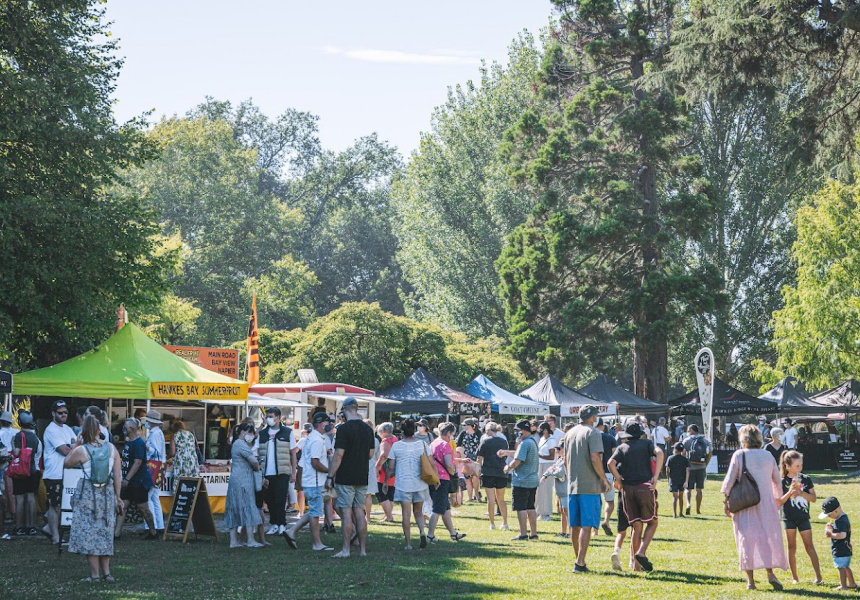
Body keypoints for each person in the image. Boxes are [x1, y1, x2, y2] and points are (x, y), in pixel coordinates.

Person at [721, 424, 788, 591]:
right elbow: (777, 481)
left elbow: (729, 480)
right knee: (767, 537)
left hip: (744, 502)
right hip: (766, 502)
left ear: (742, 438)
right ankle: (770, 573)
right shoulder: (767, 455)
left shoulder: (739, 455)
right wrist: (777, 499)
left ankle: (751, 581)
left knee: (746, 540)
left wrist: (726, 500)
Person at [63, 414, 123, 583]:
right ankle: (107, 573)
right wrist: (118, 497)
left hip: (88, 494)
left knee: (89, 533)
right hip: (107, 493)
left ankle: (95, 575)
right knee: (105, 532)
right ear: (99, 430)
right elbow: (117, 476)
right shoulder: (112, 449)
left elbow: (67, 462)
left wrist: (77, 443)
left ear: (83, 432)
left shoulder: (82, 450)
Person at [607, 422, 663, 572]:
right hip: (644, 487)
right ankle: (641, 552)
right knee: (652, 522)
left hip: (627, 490)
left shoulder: (622, 447)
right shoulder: (647, 444)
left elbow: (610, 463)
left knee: (636, 527)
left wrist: (619, 479)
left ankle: (636, 566)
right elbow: (659, 452)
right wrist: (656, 476)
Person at [327, 397, 376, 558]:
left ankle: (346, 550)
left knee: (346, 513)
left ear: (345, 410)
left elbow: (338, 455)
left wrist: (330, 476)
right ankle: (362, 550)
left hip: (345, 476)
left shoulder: (343, 429)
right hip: (362, 475)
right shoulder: (368, 429)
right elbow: (370, 454)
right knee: (360, 512)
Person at [564, 405, 611, 573]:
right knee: (587, 525)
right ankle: (580, 563)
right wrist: (604, 478)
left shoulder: (569, 433)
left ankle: (579, 560)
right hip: (589, 485)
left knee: (574, 526)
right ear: (593, 417)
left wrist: (570, 477)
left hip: (572, 485)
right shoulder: (593, 433)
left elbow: (565, 459)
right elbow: (595, 457)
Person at [283, 412, 333, 552]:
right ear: (322, 423)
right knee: (315, 514)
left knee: (313, 511)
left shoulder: (313, 437)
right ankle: (317, 543)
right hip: (315, 482)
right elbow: (315, 462)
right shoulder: (317, 440)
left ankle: (292, 531)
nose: (330, 425)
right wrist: (330, 471)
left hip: (311, 480)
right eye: (328, 422)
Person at [778, 450, 822, 584]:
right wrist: (790, 492)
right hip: (788, 518)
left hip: (803, 517)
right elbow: (779, 501)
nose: (800, 468)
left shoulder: (806, 479)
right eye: (797, 466)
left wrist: (802, 493)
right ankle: (795, 577)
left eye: (801, 465)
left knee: (809, 546)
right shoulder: (782, 481)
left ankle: (818, 577)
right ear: (787, 466)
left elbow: (813, 498)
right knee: (791, 547)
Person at [386, 418, 431, 550]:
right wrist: (435, 479)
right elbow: (431, 462)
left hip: (403, 483)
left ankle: (408, 543)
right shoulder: (422, 444)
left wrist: (385, 481)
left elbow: (390, 466)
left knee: (406, 514)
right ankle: (422, 531)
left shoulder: (397, 446)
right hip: (420, 482)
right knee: (418, 511)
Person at [257, 407, 297, 535]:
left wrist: (293, 472)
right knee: (269, 499)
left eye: (272, 416)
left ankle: (281, 524)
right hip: (266, 472)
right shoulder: (262, 434)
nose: (269, 418)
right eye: (267, 416)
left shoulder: (287, 432)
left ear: (279, 417)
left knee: (280, 499)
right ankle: (274, 523)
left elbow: (293, 453)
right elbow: (255, 448)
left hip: (282, 471)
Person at [115, 418, 156, 539]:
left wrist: (127, 479)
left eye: (126, 427)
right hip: (129, 481)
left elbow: (138, 462)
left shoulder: (138, 443)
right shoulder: (129, 442)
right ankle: (116, 534)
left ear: (131, 429)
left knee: (143, 508)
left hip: (139, 481)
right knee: (123, 505)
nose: (124, 429)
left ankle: (153, 532)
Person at [426, 422, 467, 544]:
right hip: (443, 479)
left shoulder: (433, 443)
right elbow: (448, 463)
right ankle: (430, 536)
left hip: (433, 478)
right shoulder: (446, 445)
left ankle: (453, 534)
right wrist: (453, 472)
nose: (452, 437)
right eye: (452, 434)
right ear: (448, 433)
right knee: (438, 509)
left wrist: (460, 460)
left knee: (446, 508)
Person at [42, 400, 77, 544]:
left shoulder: (67, 428)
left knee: (62, 504)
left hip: (66, 472)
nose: (63, 415)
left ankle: (48, 527)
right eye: (60, 413)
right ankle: (55, 536)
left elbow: (75, 445)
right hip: (54, 473)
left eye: (65, 412)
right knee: (55, 505)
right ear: (53, 413)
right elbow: (66, 451)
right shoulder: (51, 430)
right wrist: (73, 446)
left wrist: (73, 447)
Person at [225, 422, 264, 548]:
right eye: (250, 432)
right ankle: (251, 540)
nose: (251, 435)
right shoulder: (241, 445)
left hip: (236, 479)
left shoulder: (236, 444)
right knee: (248, 507)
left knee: (234, 509)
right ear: (242, 432)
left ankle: (234, 541)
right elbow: (254, 462)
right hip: (243, 480)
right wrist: (258, 467)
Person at [500, 419, 540, 541]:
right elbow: (519, 455)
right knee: (530, 507)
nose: (517, 433)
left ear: (523, 431)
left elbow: (517, 461)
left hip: (522, 480)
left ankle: (523, 533)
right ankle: (534, 534)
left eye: (518, 431)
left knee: (521, 508)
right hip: (532, 480)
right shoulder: (533, 442)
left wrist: (507, 468)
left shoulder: (524, 443)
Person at [11, 411, 42, 537]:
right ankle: (32, 526)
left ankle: (19, 527)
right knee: (30, 499)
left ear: (20, 422)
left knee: (20, 499)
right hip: (33, 471)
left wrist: (13, 443)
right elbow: (38, 454)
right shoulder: (36, 438)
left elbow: (17, 453)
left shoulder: (18, 436)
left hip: (20, 471)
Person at [477, 421, 509, 530]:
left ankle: (492, 524)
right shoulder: (503, 441)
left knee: (491, 499)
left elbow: (479, 458)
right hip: (501, 472)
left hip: (488, 472)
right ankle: (505, 523)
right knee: (501, 499)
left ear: (489, 431)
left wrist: (478, 469)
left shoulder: (485, 441)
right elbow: (505, 456)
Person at [820, 496, 856, 591]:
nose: (828, 517)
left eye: (829, 514)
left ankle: (843, 586)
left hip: (841, 549)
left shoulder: (842, 521)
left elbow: (842, 535)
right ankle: (852, 583)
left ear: (836, 511)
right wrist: (831, 528)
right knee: (846, 567)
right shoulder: (841, 518)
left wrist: (831, 534)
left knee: (841, 568)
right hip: (846, 549)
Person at [539, 436, 570, 538]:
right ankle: (563, 531)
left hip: (566, 490)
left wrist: (552, 472)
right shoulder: (560, 460)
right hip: (560, 490)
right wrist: (546, 474)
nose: (557, 451)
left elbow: (560, 473)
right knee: (562, 511)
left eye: (559, 449)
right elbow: (551, 468)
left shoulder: (567, 460)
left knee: (567, 511)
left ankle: (571, 532)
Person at [143, 410, 166, 537]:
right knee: (155, 497)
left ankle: (151, 527)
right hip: (159, 467)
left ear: (151, 421)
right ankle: (159, 525)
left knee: (148, 497)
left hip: (153, 466)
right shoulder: (158, 433)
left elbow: (155, 452)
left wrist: (146, 447)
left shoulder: (154, 434)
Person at [682, 424, 712, 515]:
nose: (687, 431)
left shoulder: (687, 440)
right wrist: (705, 464)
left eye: (688, 430)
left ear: (692, 430)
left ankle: (688, 504)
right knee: (699, 489)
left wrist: (685, 465)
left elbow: (683, 453)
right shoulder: (705, 440)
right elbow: (710, 453)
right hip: (701, 467)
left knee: (688, 488)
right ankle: (698, 510)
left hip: (690, 468)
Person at [596, 418, 617, 536]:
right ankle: (606, 521)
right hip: (608, 472)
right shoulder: (610, 438)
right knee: (609, 501)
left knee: (596, 501)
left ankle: (595, 530)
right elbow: (615, 455)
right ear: (603, 426)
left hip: (593, 473)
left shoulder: (590, 436)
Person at [0, 411, 19, 535]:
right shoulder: (16, 433)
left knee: (5, 489)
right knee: (13, 489)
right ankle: (14, 513)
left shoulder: (1, 433)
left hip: (4, 460)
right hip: (15, 461)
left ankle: (8, 512)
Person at [374, 422, 397, 523]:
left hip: (385, 472)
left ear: (383, 431)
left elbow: (384, 455)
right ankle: (388, 515)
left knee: (380, 493)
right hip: (394, 471)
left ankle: (389, 516)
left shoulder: (385, 441)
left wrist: (377, 467)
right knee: (389, 494)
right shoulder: (395, 439)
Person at [535, 421, 557, 521]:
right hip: (540, 464)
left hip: (548, 465)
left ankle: (546, 513)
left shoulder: (551, 440)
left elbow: (552, 457)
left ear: (545, 430)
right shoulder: (542, 439)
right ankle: (539, 511)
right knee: (539, 489)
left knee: (546, 489)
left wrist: (539, 455)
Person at [456, 419, 481, 503]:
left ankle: (477, 495)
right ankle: (470, 497)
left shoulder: (478, 433)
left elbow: (481, 445)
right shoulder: (463, 434)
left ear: (470, 425)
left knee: (475, 477)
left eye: (465, 425)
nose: (464, 427)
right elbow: (458, 444)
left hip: (475, 457)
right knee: (468, 478)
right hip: (466, 458)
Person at [666, 442, 691, 518]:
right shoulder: (685, 459)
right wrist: (686, 481)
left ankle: (674, 514)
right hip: (682, 480)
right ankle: (681, 513)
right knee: (681, 496)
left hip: (673, 479)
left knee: (675, 497)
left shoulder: (670, 458)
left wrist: (668, 479)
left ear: (675, 450)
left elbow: (667, 470)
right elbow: (687, 470)